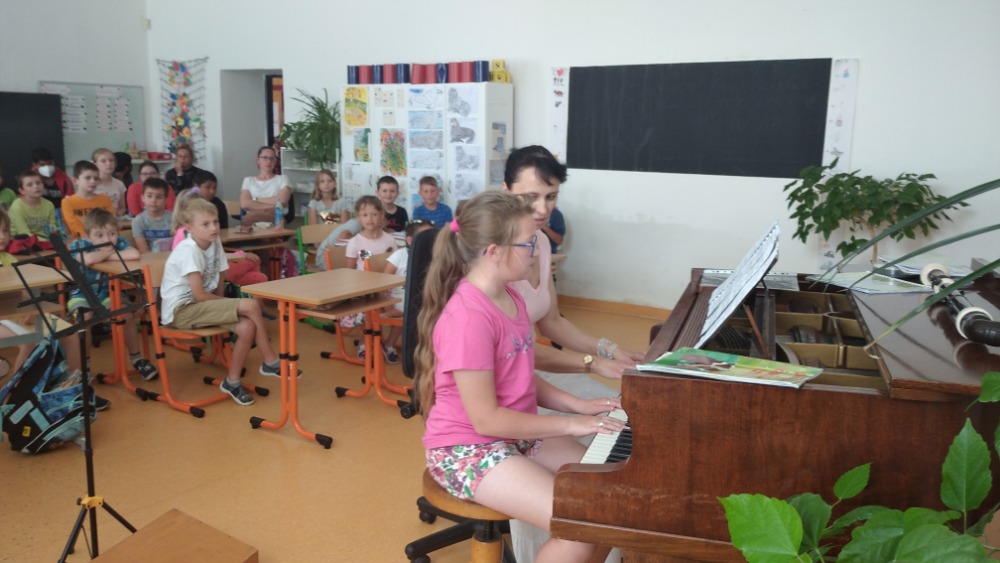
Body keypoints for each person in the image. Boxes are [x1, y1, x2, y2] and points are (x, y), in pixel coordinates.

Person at [416, 191, 623, 563]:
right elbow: (487, 419)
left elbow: (521, 375)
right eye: (529, 244)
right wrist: (570, 424)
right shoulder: (468, 318)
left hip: (514, 436)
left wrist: (580, 406)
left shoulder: (510, 296)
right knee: (578, 524)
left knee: (610, 498)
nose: (536, 252)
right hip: (467, 449)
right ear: (494, 252)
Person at [159, 196, 284, 405]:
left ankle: (232, 382)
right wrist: (231, 304)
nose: (213, 227)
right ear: (189, 227)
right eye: (205, 224)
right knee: (252, 305)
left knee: (246, 327)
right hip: (182, 310)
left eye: (215, 222)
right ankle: (270, 360)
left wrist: (227, 304)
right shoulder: (188, 250)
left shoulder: (214, 241)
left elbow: (218, 280)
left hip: (202, 305)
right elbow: (199, 295)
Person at [68, 208, 158, 381]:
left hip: (110, 293)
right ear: (87, 236)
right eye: (99, 235)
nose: (107, 240)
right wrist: (111, 252)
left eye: (112, 234)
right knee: (84, 318)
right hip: (82, 295)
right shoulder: (78, 244)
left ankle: (137, 359)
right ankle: (84, 365)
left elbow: (134, 254)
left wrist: (105, 253)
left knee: (125, 315)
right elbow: (88, 259)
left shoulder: (120, 241)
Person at [171, 188, 266, 287]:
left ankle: (232, 289)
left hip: (213, 271)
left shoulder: (208, 232)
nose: (213, 227)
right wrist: (241, 255)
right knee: (252, 262)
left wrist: (239, 255)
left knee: (259, 277)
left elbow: (217, 257)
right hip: (201, 276)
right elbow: (208, 261)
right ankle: (231, 289)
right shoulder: (186, 232)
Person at [381, 219, 435, 363]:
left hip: (422, 297)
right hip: (399, 299)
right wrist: (388, 307)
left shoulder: (434, 256)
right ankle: (389, 344)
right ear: (410, 240)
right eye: (424, 237)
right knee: (413, 310)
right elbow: (383, 283)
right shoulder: (399, 256)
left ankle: (427, 348)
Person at [239, 146, 292, 225]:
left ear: (275, 161)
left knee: (252, 216)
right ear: (258, 160)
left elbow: (282, 200)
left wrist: (254, 200)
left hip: (276, 217)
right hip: (252, 220)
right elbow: (244, 204)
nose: (269, 161)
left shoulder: (283, 178)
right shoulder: (248, 180)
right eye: (265, 158)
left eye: (272, 158)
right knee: (250, 218)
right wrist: (272, 207)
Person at [62, 161, 114, 240]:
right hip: (81, 241)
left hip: (104, 239)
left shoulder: (105, 199)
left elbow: (111, 222)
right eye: (88, 178)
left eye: (96, 178)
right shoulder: (67, 202)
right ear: (75, 180)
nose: (93, 181)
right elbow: (74, 226)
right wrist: (90, 238)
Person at [345, 195, 396, 271]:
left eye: (374, 214)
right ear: (358, 217)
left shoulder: (390, 240)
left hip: (386, 277)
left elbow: (396, 265)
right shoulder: (354, 242)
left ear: (381, 215)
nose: (369, 219)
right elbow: (349, 271)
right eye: (365, 215)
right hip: (362, 278)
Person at [9, 170, 56, 242]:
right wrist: (47, 242)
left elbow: (52, 228)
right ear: (22, 191)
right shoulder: (17, 207)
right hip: (19, 241)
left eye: (38, 183)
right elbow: (24, 233)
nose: (36, 186)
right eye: (30, 185)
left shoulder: (49, 204)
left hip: (44, 240)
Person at [130, 178, 173, 253]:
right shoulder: (138, 221)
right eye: (149, 196)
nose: (153, 200)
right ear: (143, 198)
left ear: (166, 200)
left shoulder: (175, 219)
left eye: (159, 197)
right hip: (149, 258)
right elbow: (144, 252)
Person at [92, 148, 128, 217]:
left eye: (111, 160)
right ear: (95, 164)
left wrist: (116, 215)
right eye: (103, 161)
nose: (108, 164)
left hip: (114, 219)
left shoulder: (119, 184)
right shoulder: (91, 184)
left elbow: (122, 208)